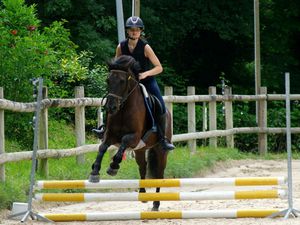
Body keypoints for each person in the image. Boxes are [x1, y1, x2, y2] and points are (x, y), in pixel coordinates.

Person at [94, 16, 174, 151]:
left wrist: (146, 73)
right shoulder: (121, 46)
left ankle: (162, 138)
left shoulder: (145, 47)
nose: (134, 32)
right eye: (132, 30)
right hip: (127, 84)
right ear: (127, 31)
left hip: (146, 81)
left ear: (140, 31)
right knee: (111, 99)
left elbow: (159, 67)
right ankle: (104, 129)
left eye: (137, 30)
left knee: (160, 105)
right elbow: (116, 66)